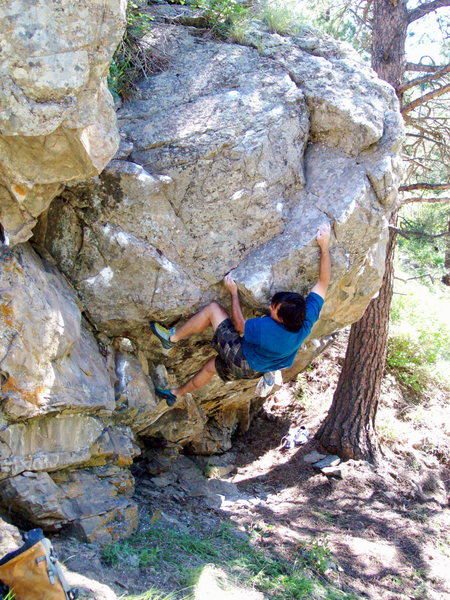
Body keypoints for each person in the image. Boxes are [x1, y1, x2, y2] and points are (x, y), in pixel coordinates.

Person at [151, 222, 331, 406]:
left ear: (282, 320)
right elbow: (323, 282)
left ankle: (171, 338)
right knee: (211, 367)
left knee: (213, 309)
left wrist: (234, 293)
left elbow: (239, 325)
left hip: (243, 359)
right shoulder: (305, 320)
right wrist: (324, 247)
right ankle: (174, 393)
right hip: (255, 371)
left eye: (274, 309)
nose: (270, 307)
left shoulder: (268, 328)